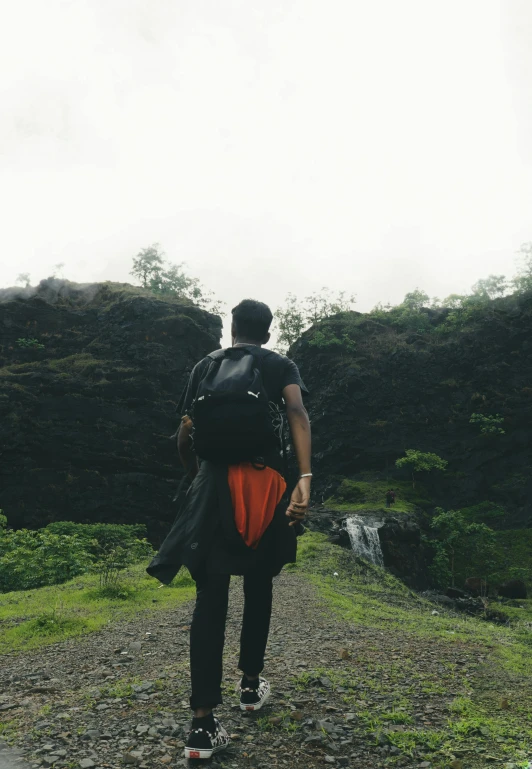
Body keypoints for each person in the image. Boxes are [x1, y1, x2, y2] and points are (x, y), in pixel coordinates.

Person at [147, 299, 311, 760]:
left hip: (213, 488)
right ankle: (250, 685)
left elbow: (184, 435)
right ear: (268, 331)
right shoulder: (279, 365)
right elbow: (297, 415)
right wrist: (304, 479)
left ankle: (201, 726)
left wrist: (197, 475)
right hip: (265, 486)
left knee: (210, 600)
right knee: (259, 586)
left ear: (232, 329)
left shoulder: (204, 366)